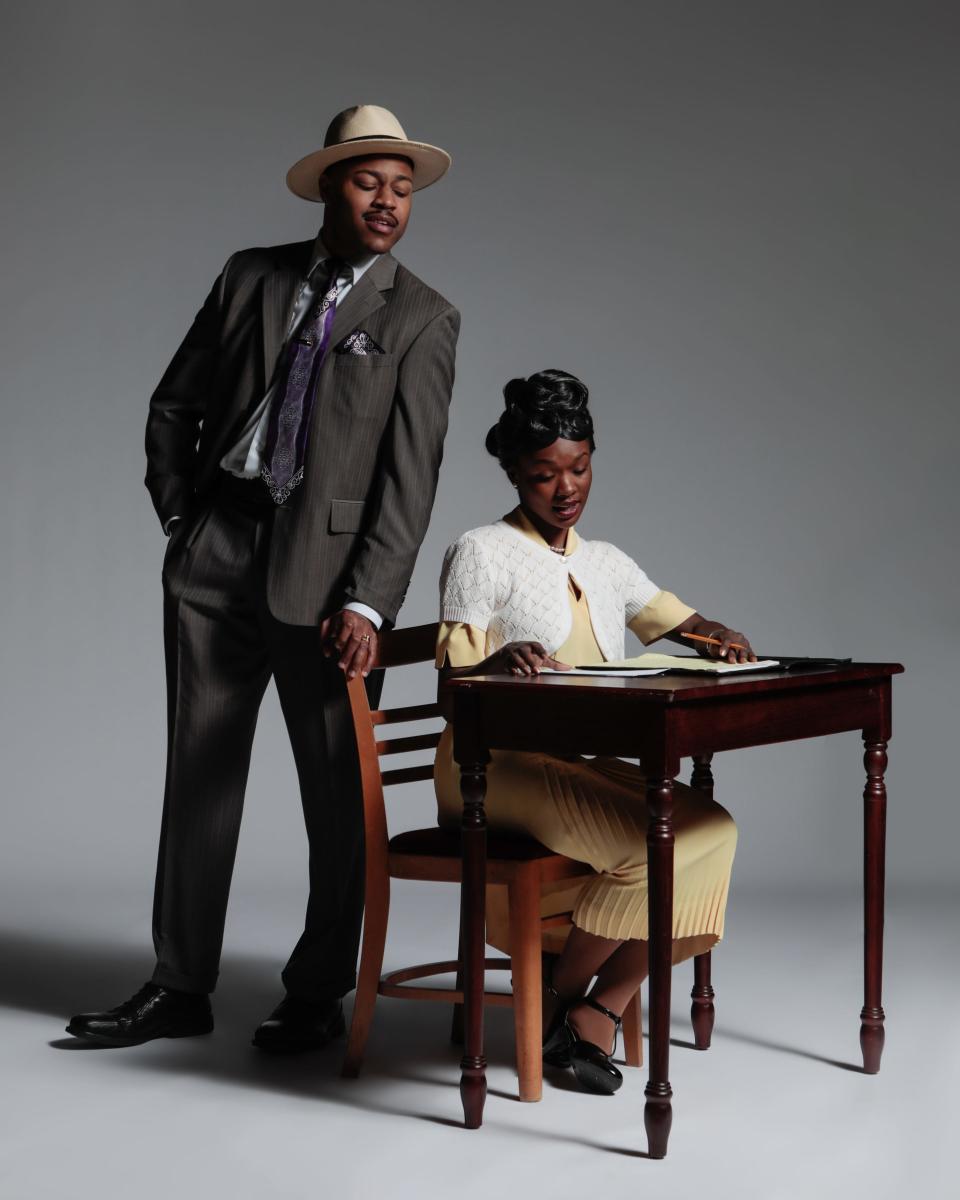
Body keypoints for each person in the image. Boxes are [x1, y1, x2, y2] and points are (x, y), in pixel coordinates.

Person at [67, 105, 460, 1051]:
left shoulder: (422, 318)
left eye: (403, 189)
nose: (388, 203)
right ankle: (179, 984)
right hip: (217, 553)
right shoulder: (251, 275)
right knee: (197, 778)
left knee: (335, 793)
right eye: (370, 182)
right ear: (330, 185)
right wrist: (180, 519)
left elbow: (410, 483)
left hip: (327, 589)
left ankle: (317, 990)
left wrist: (370, 600)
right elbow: (175, 404)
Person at [434, 369, 751, 1094]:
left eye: (578, 467)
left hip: (571, 763)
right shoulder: (480, 549)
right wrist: (496, 659)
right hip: (491, 766)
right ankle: (552, 1009)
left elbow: (676, 619)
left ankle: (591, 1009)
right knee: (653, 845)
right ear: (514, 471)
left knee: (712, 832)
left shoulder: (604, 561)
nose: (565, 487)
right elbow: (454, 684)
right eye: (544, 473)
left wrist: (715, 635)